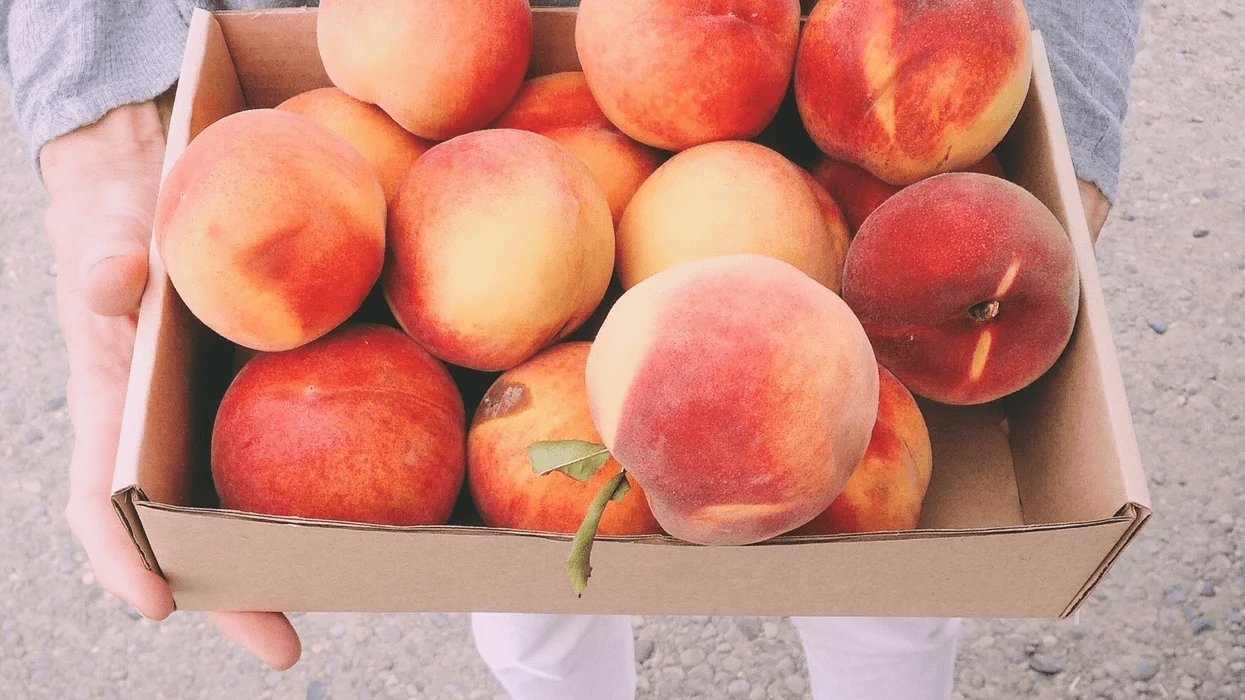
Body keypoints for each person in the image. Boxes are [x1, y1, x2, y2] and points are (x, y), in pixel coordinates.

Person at [1, 0, 1142, 695]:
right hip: (523, 199)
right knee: (530, 570)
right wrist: (101, 97)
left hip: (684, 188)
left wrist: (1068, 125)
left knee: (877, 564)